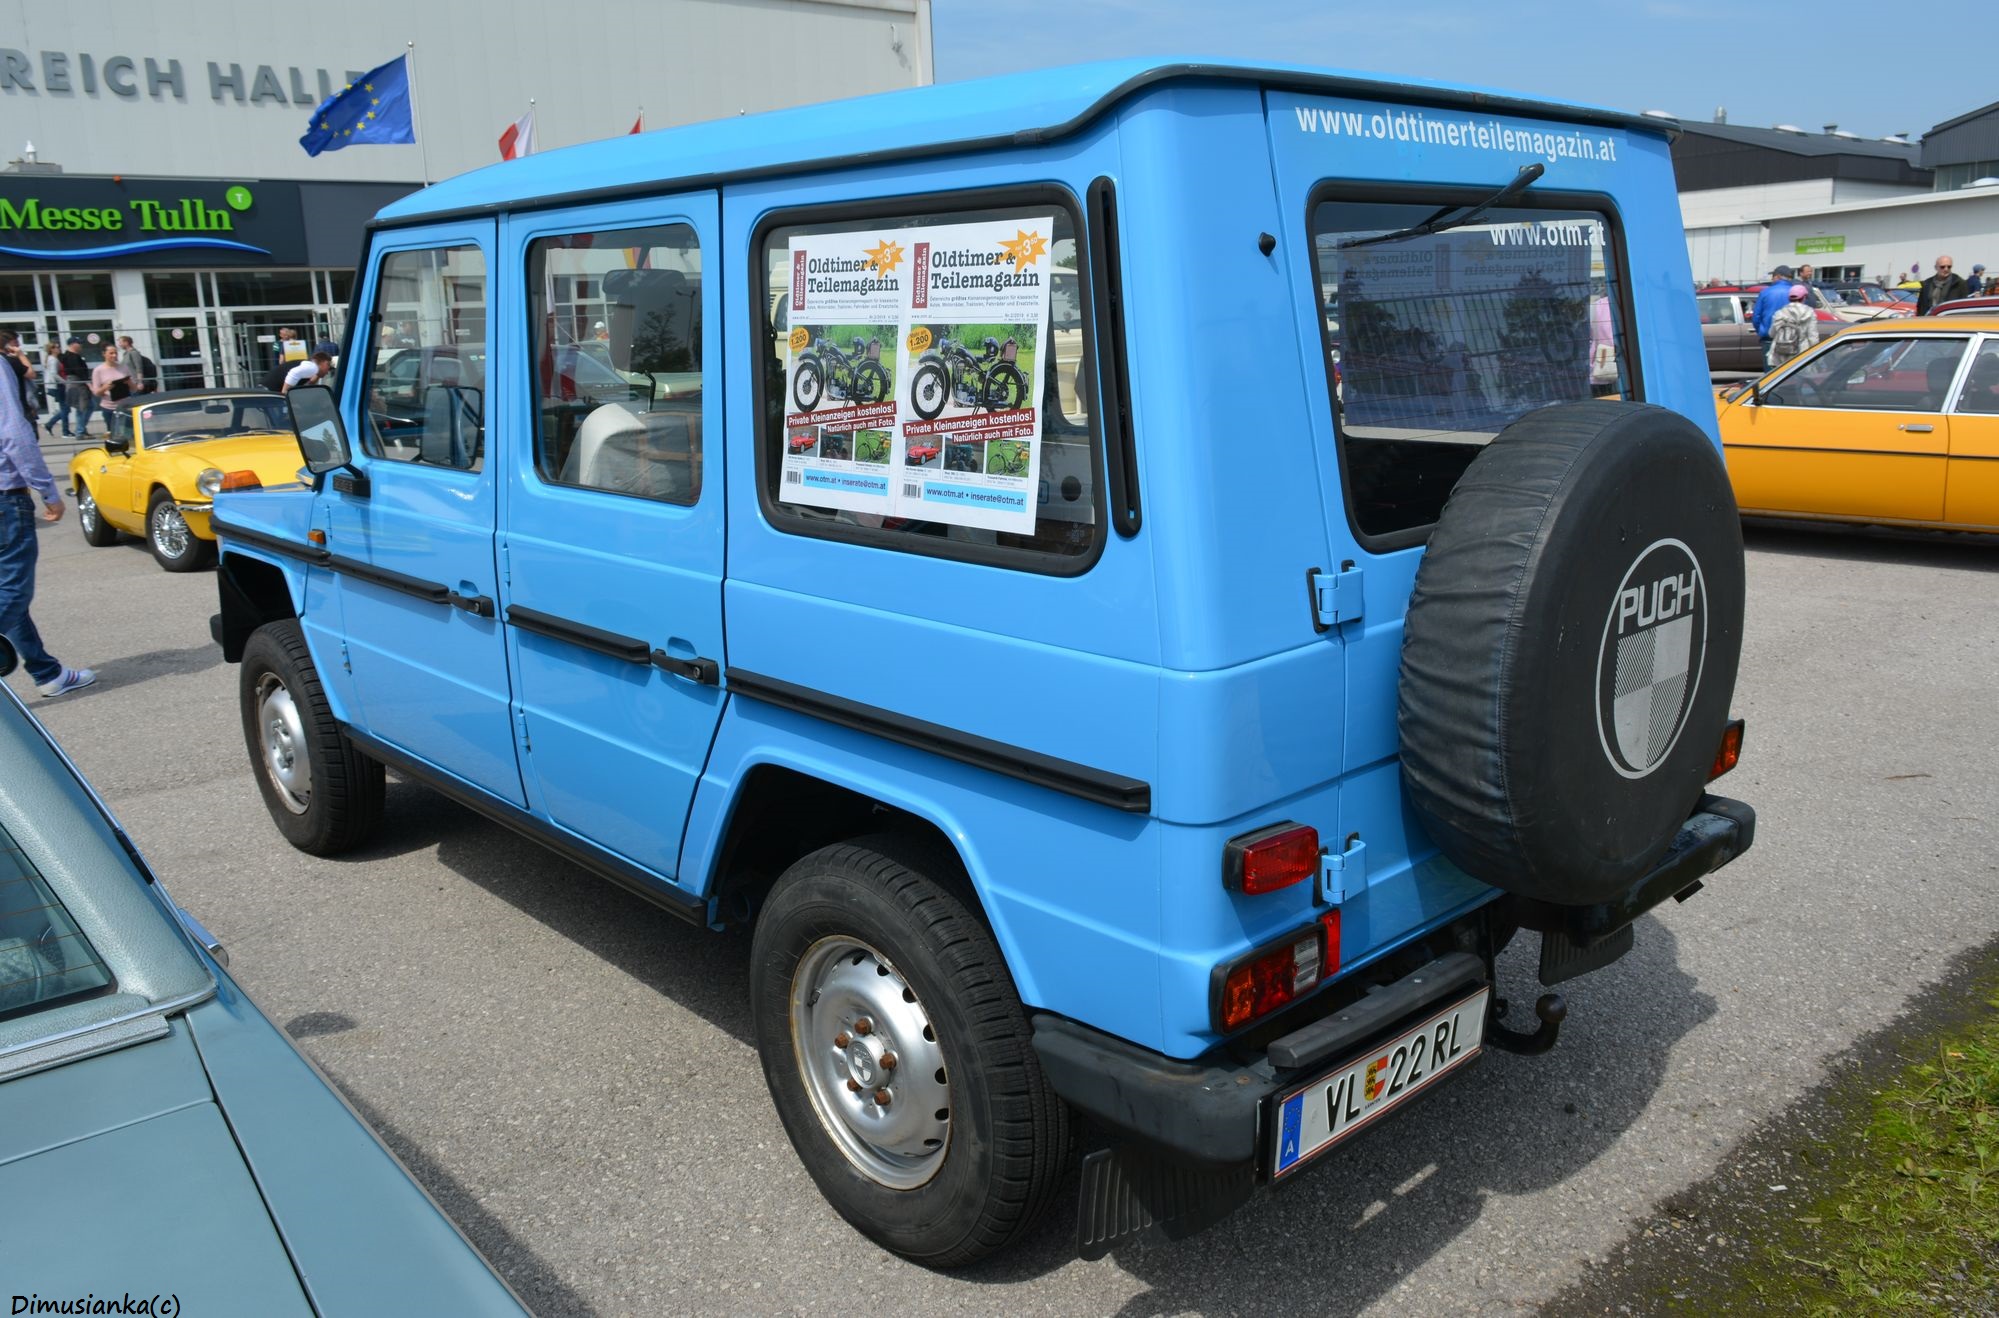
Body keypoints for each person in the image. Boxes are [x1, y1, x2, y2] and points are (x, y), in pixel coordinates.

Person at [0, 330, 95, 699]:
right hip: (6, 496)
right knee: (13, 590)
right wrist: (48, 490)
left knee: (7, 591)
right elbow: (13, 432)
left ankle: (47, 672)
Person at [1752, 265, 1796, 366]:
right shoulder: (1795, 292)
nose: (1772, 279)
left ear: (1778, 277)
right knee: (1790, 371)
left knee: (1771, 373)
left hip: (1769, 337)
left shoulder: (1765, 292)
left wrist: (1762, 330)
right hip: (1791, 338)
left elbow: (1756, 317)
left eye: (1773, 276)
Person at [1769, 283, 1819, 365]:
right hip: (1801, 353)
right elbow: (1813, 337)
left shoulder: (1780, 313)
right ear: (1804, 297)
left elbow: (1771, 334)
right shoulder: (1809, 313)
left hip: (1780, 353)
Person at [57, 338, 95, 437]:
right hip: (77, 383)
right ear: (72, 344)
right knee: (82, 407)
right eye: (79, 343)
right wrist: (89, 384)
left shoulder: (73, 356)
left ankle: (81, 428)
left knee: (88, 406)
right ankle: (80, 431)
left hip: (76, 382)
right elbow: (79, 372)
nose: (81, 345)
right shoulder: (71, 357)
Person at [90, 344, 132, 411]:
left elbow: (134, 389)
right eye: (111, 353)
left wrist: (129, 383)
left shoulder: (124, 367)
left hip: (126, 406)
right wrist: (105, 387)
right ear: (104, 354)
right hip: (108, 408)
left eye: (116, 353)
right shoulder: (98, 370)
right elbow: (96, 393)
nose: (114, 355)